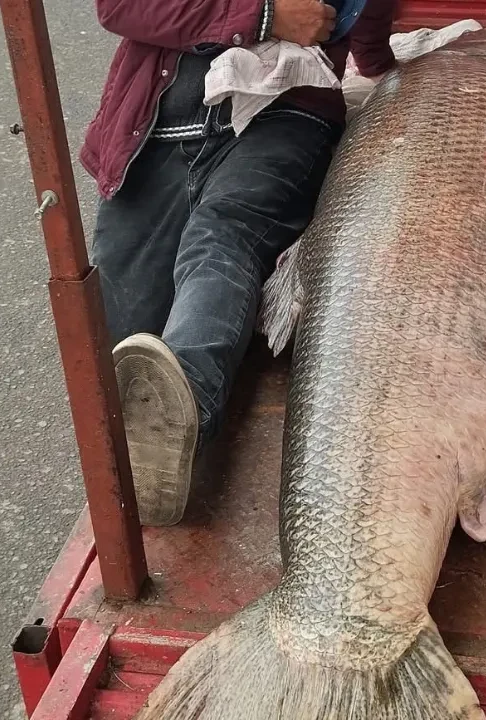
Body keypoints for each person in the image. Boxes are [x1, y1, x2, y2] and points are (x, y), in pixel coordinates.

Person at [80, 0, 397, 526]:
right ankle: (153, 437)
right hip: (153, 129)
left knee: (222, 234)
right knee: (124, 356)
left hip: (283, 116)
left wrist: (384, 72)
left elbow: (371, 13)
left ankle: (189, 408)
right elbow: (120, 7)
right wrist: (266, 17)